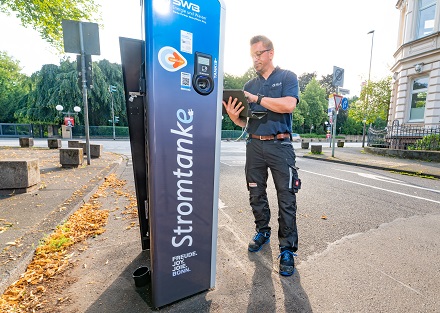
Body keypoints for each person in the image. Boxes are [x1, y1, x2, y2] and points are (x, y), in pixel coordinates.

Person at [223, 35, 301, 276]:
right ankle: (262, 231)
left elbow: (288, 105)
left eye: (258, 54)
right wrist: (234, 115)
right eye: (252, 55)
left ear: (270, 53)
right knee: (256, 193)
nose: (255, 59)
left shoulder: (287, 77)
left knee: (286, 199)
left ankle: (287, 250)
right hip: (254, 146)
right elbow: (243, 123)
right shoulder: (248, 85)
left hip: (280, 146)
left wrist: (256, 99)